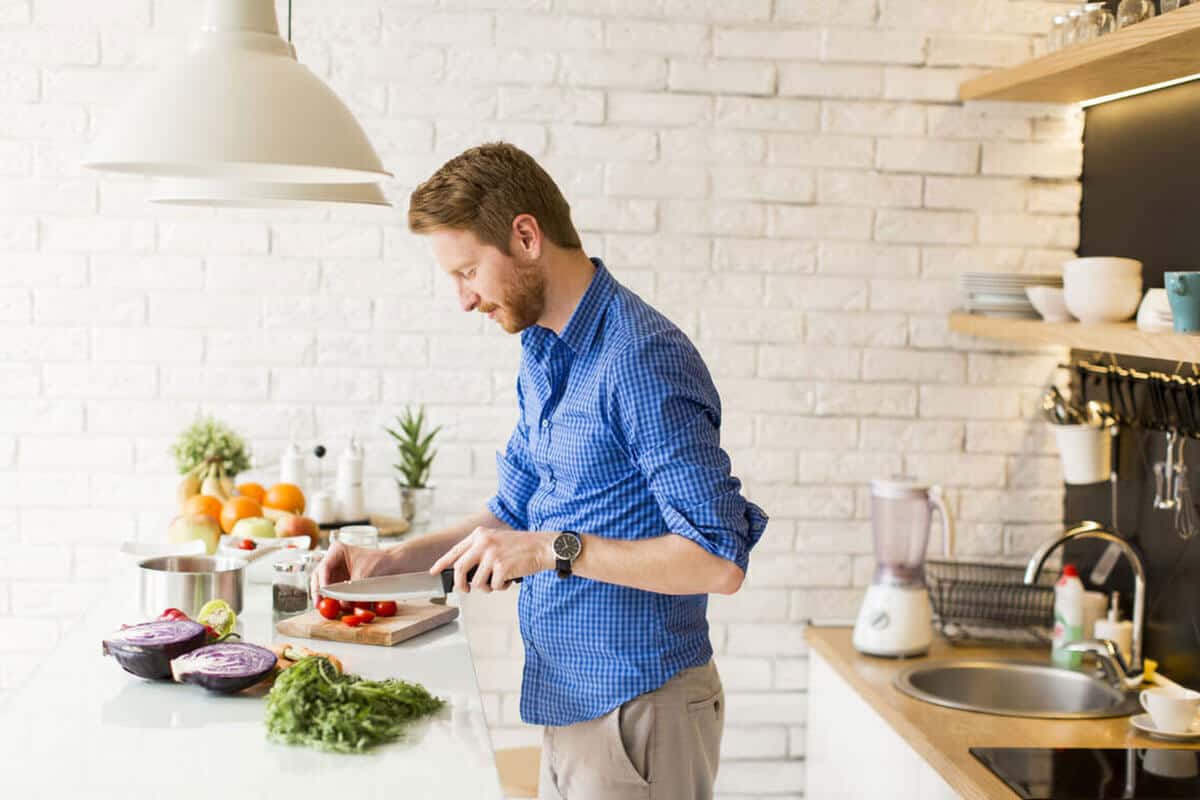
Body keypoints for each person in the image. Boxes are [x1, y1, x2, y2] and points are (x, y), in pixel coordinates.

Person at [313, 142, 767, 800]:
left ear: (526, 235)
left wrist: (551, 550)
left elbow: (716, 560)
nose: (464, 300)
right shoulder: (542, 350)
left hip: (639, 709)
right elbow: (514, 512)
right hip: (570, 704)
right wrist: (392, 561)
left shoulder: (642, 359)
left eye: (468, 271)